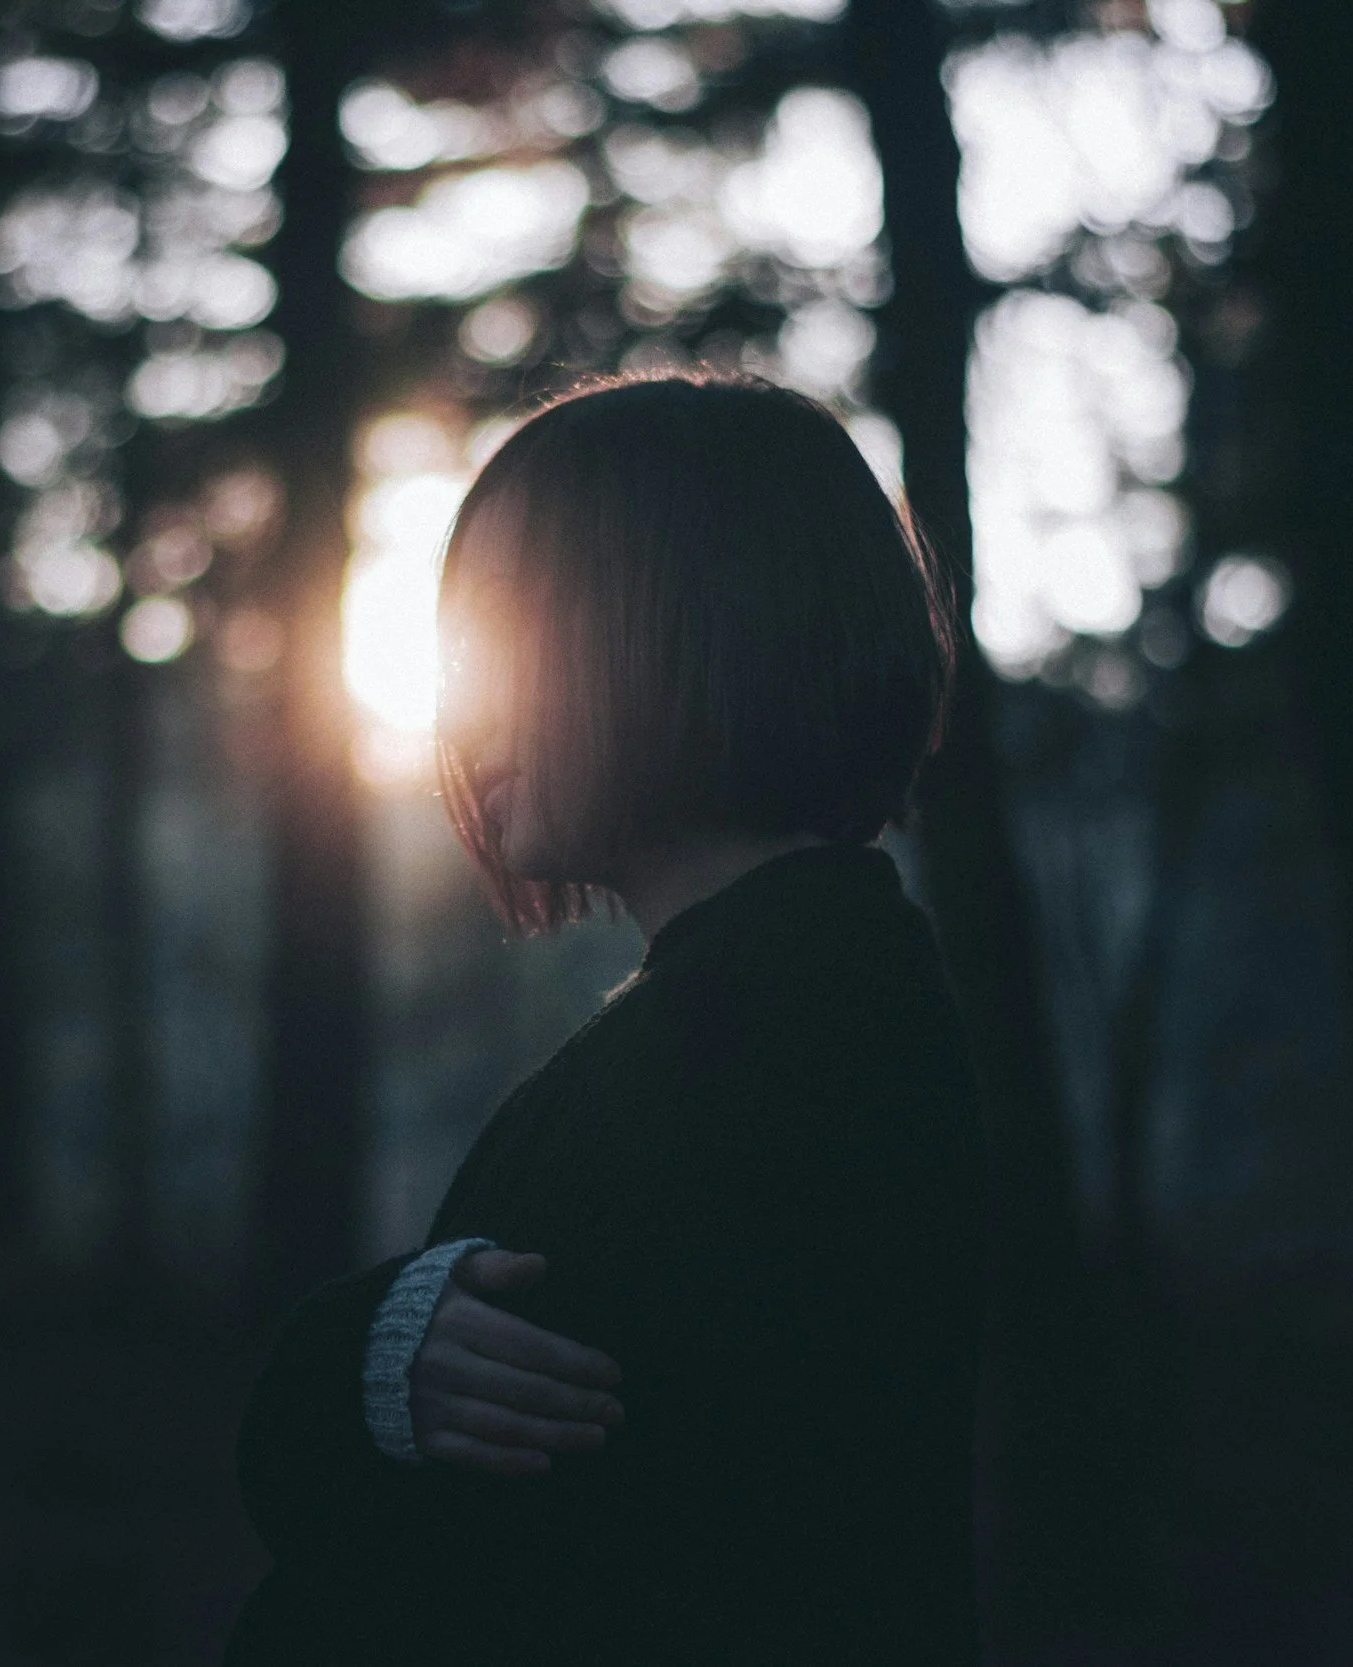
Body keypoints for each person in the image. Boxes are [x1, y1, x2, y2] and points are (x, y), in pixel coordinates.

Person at [224, 371, 983, 1665]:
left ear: (685, 625)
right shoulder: (771, 1000)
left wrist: (345, 1373)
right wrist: (368, 1360)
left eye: (509, 633)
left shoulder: (765, 1047)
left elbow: (500, 1569)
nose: (463, 707)